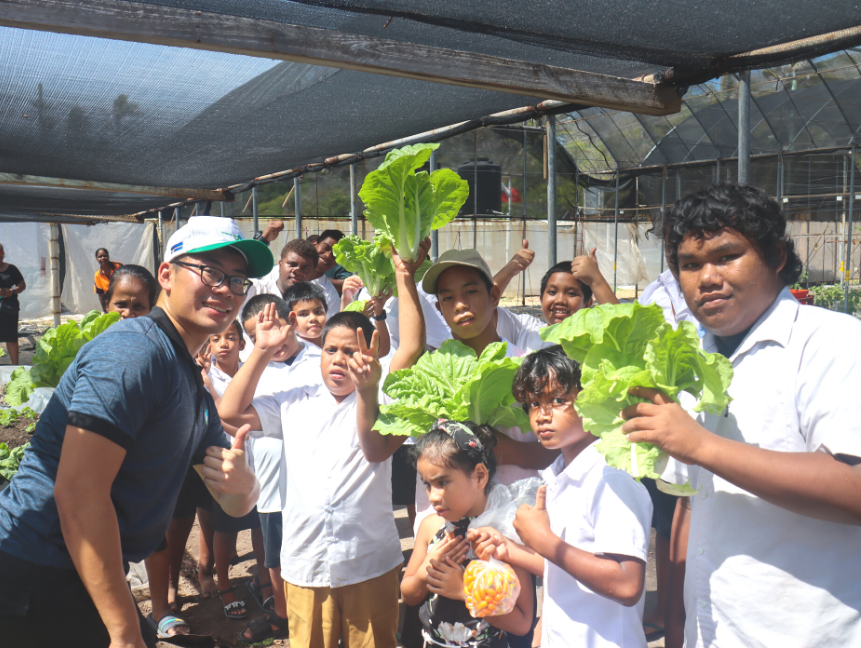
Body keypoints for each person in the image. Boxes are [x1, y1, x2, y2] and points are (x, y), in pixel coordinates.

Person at [0, 216, 269, 648]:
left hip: (83, 568)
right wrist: (124, 632)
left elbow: (236, 504)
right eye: (212, 273)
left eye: (239, 282)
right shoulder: (133, 352)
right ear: (167, 274)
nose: (227, 290)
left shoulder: (186, 378)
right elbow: (80, 495)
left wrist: (245, 483)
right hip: (37, 573)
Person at [620, 183, 861, 648]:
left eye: (726, 256)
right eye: (689, 265)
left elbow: (855, 487)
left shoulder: (831, 342)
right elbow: (694, 500)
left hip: (810, 634)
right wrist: (677, 628)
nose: (706, 277)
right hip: (715, 632)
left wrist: (701, 445)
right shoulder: (691, 358)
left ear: (776, 258)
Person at [218, 238, 430, 648]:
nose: (338, 359)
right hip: (306, 561)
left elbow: (413, 349)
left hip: (369, 560)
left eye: (350, 351)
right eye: (330, 349)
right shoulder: (293, 397)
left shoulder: (385, 395)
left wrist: (405, 275)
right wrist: (261, 349)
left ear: (372, 354)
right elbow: (228, 413)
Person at [473, 345, 652, 648]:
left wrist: (544, 542)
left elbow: (627, 583)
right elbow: (565, 568)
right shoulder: (556, 475)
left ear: (594, 398)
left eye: (558, 400)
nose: (542, 415)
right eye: (532, 403)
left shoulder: (610, 478)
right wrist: (510, 551)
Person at [401, 420, 534, 647]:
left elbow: (522, 622)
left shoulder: (501, 537)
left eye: (443, 482)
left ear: (480, 476)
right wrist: (425, 571)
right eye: (428, 484)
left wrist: (465, 591)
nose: (433, 496)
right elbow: (408, 595)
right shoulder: (431, 528)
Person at [492, 241, 619, 351]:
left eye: (571, 293)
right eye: (552, 292)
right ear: (541, 299)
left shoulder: (594, 337)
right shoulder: (525, 329)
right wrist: (510, 269)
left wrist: (597, 280)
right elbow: (483, 307)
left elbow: (623, 328)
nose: (560, 300)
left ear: (588, 303)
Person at [0, 243, 26, 365]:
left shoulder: (12, 269)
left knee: (11, 338)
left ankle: (15, 366)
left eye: (0, 254)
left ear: (3, 254)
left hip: (9, 309)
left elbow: (22, 285)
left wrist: (12, 291)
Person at [309, 230, 344, 314]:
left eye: (334, 255)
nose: (328, 255)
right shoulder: (285, 273)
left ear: (337, 261)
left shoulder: (331, 294)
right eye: (325, 248)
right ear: (314, 244)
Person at [94, 248, 123, 312]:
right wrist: (105, 309)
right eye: (100, 257)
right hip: (112, 300)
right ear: (97, 259)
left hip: (124, 295)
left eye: (105, 256)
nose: (103, 258)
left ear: (108, 256)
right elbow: (101, 294)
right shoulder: (98, 275)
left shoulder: (119, 266)